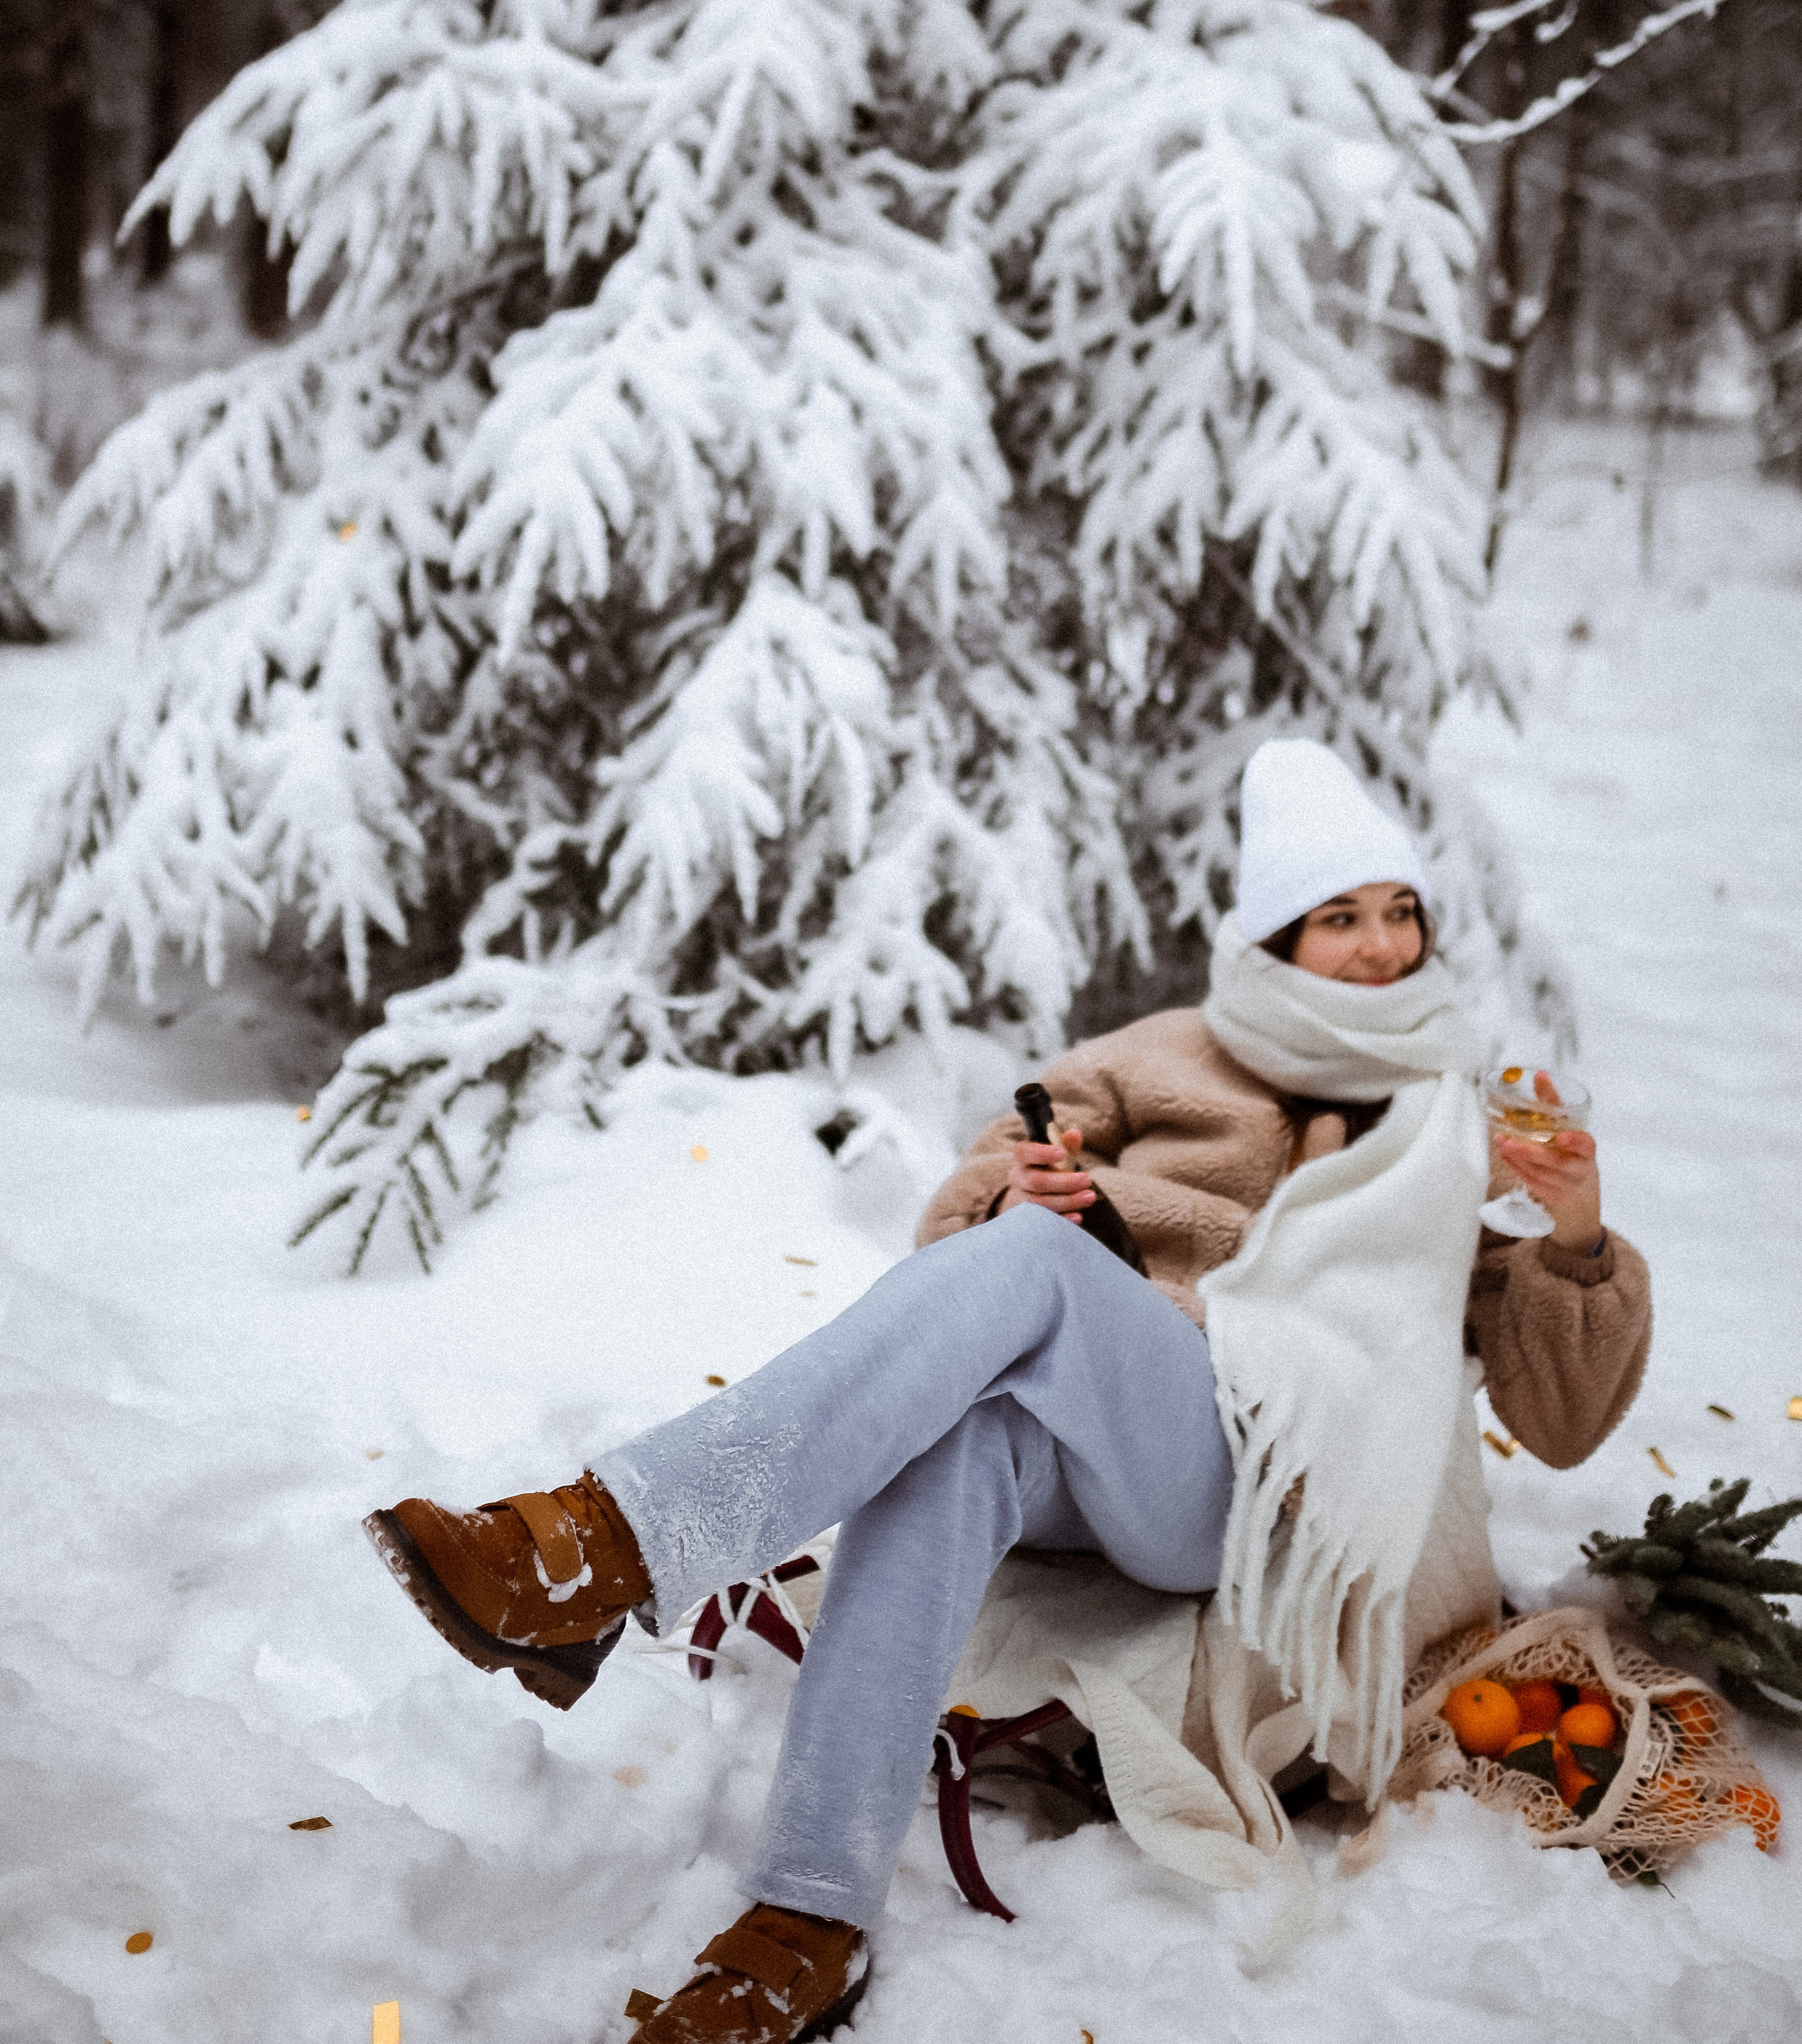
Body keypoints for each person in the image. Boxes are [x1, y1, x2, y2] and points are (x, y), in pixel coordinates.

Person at [365, 740, 1650, 2044]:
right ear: (1276, 937)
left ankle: (609, 1548)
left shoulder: (1450, 1118)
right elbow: (981, 1200)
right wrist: (1009, 1188)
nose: (1379, 947)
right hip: (1092, 1435)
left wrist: (1578, 1239)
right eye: (1340, 917)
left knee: (1034, 1270)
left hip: (1265, 1489)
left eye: (1398, 913)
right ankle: (806, 1919)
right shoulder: (1162, 1056)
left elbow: (1561, 1419)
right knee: (963, 1436)